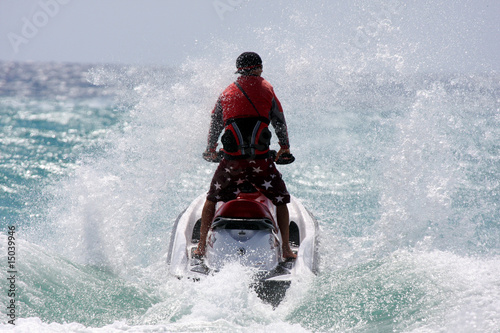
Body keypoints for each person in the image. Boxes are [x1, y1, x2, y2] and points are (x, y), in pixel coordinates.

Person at [195, 52, 296, 259]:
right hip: (261, 162)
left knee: (211, 198)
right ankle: (286, 249)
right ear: (259, 67)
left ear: (238, 70)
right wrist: (284, 147)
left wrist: (211, 149)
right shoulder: (267, 89)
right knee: (280, 200)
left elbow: (215, 123)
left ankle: (201, 248)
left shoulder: (227, 92)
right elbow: (278, 120)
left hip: (232, 163)